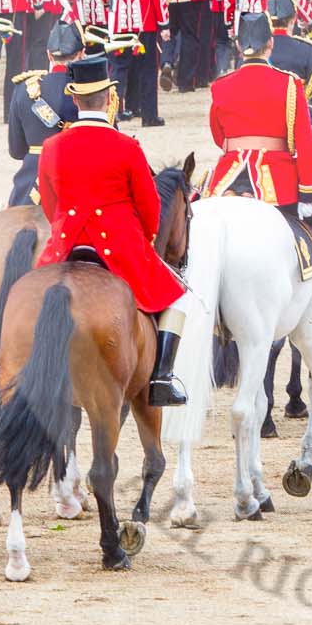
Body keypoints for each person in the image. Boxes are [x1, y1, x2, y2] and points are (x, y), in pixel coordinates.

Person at [32, 54, 191, 406]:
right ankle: (162, 379)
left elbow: (49, 202)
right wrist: (145, 238)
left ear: (74, 99)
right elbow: (150, 209)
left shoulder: (53, 146)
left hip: (66, 243)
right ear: (109, 98)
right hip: (119, 246)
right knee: (176, 301)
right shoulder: (127, 147)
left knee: (24, 298)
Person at [203, 12, 312, 323]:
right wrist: (308, 192)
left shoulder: (221, 86)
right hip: (276, 182)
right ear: (270, 44)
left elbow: (218, 135)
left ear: (240, 47)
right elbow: (304, 143)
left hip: (228, 178)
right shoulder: (289, 84)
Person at [8, 21, 81, 206]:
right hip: (79, 183)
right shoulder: (93, 92)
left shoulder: (24, 89)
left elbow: (16, 150)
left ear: (49, 55)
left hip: (32, 186)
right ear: (81, 55)